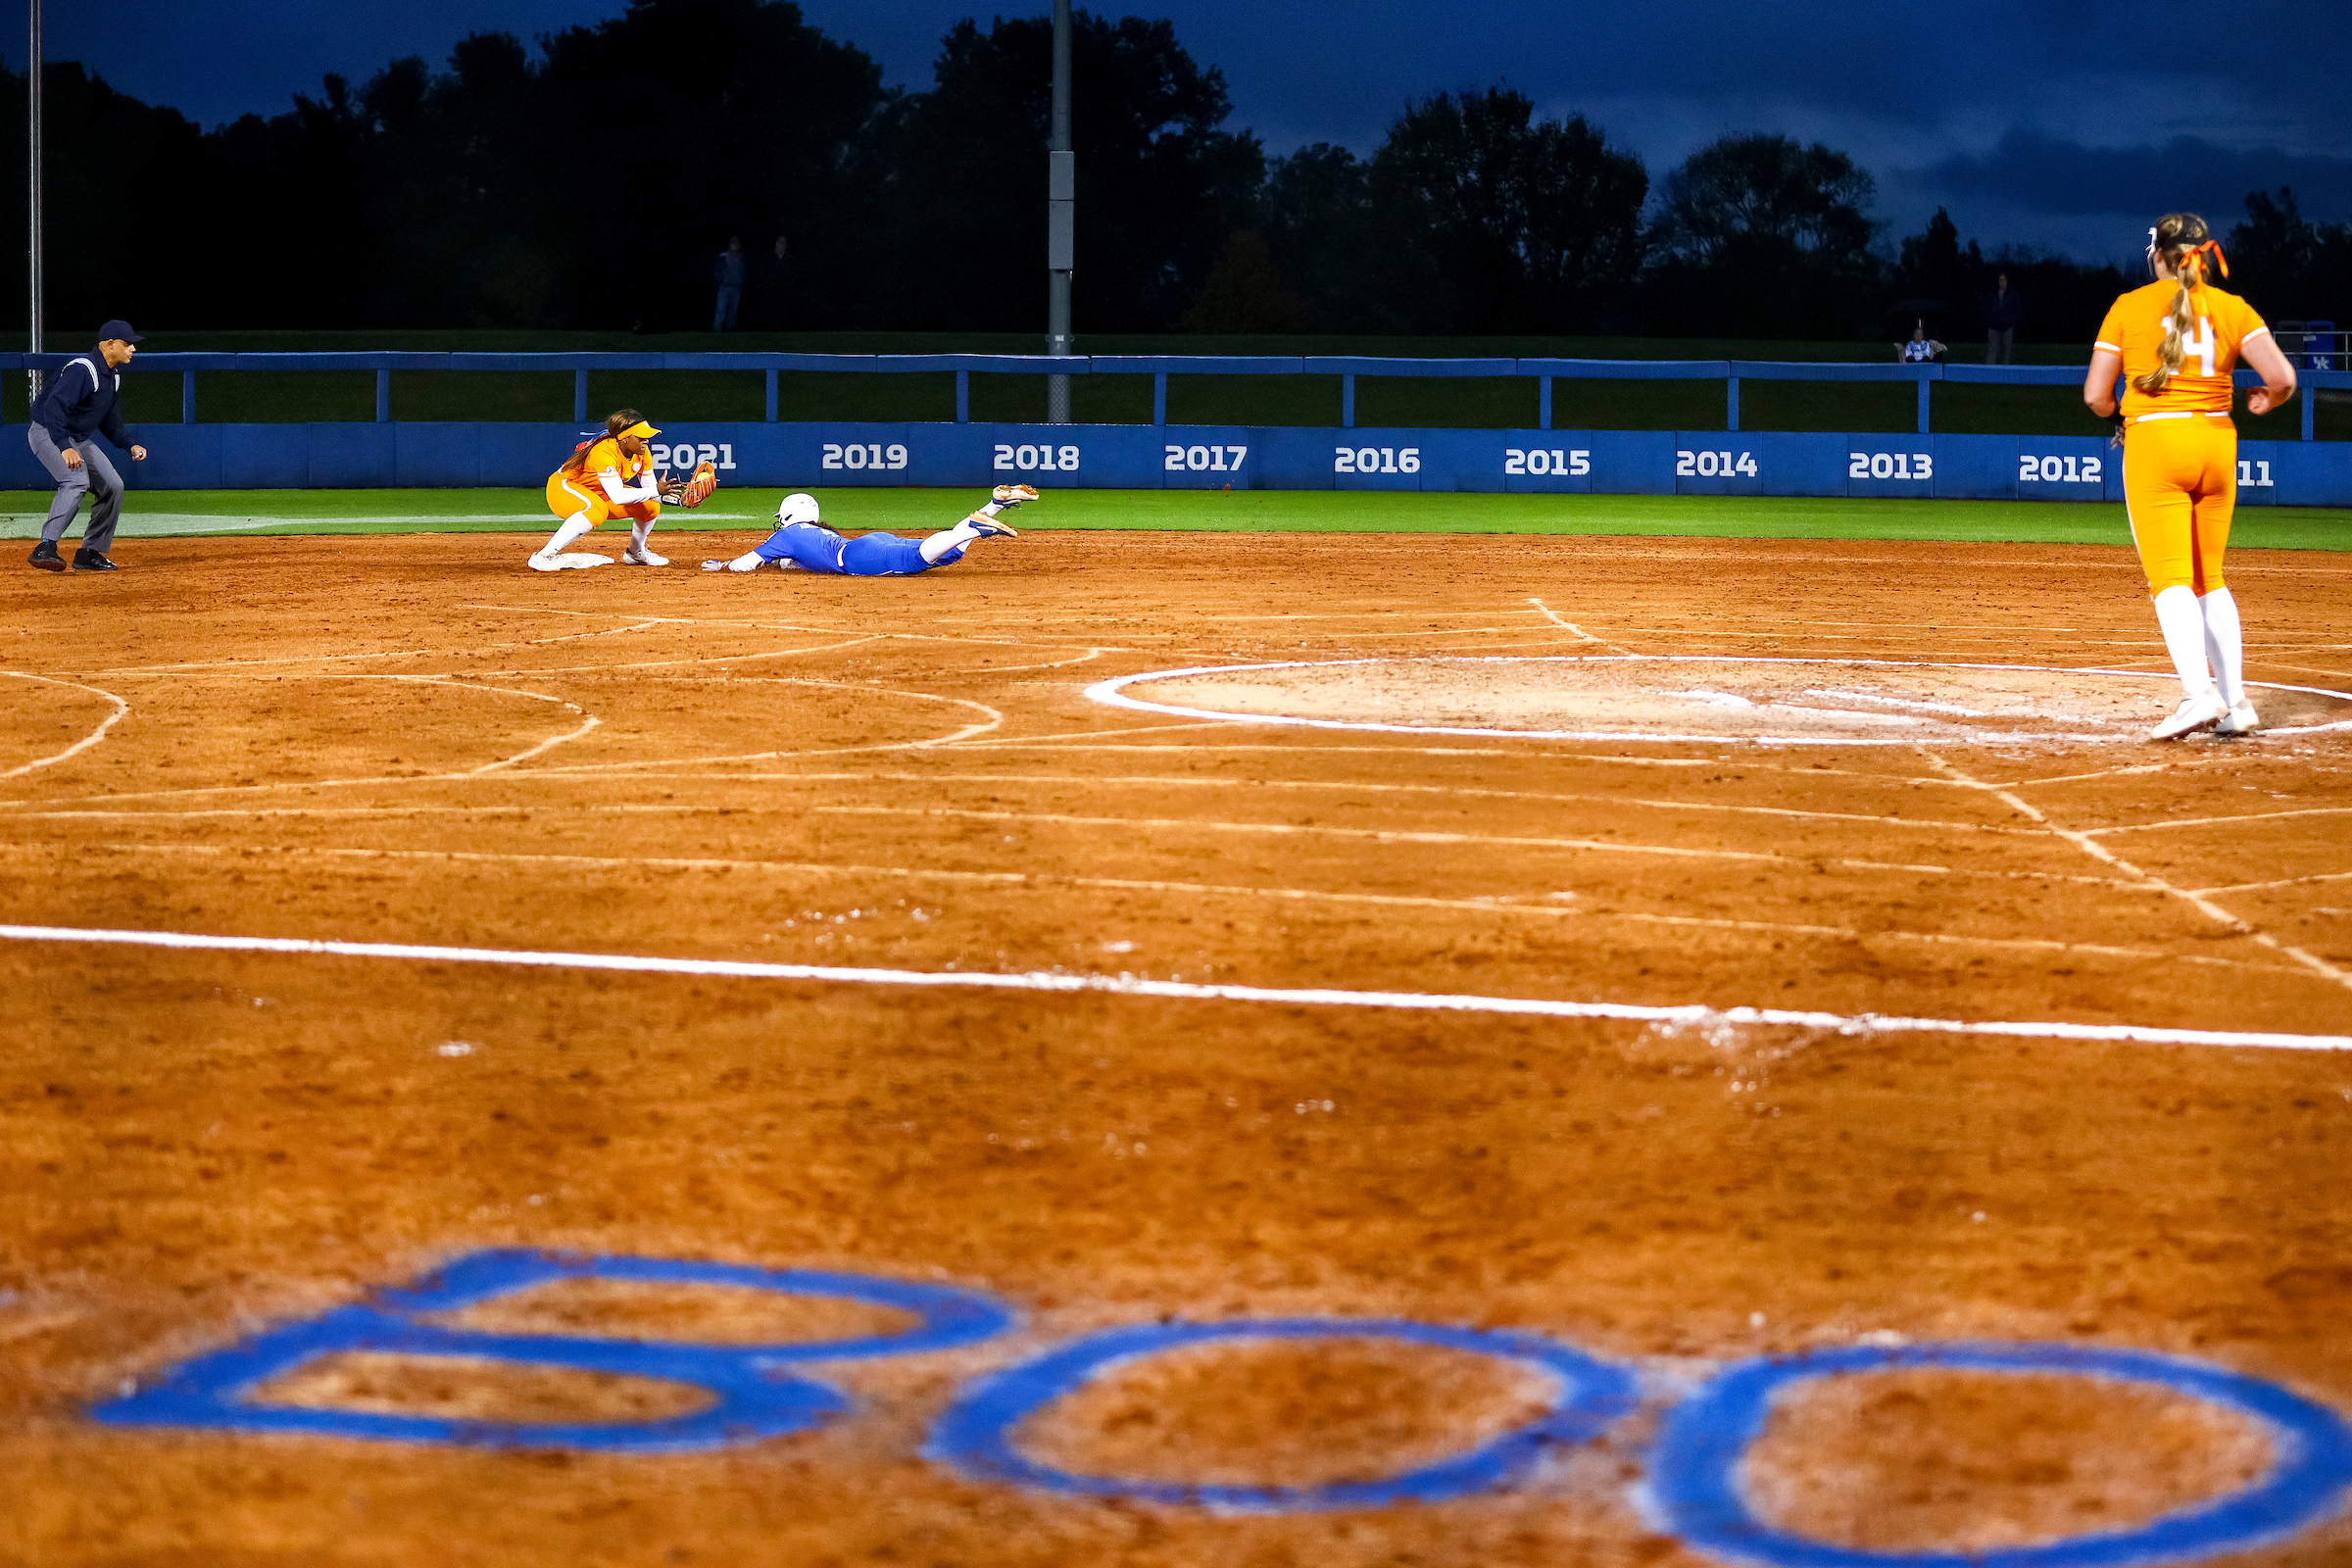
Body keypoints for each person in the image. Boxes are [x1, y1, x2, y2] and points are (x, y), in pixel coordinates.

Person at [2084, 212, 2297, 741]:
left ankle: (2197, 695)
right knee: (2210, 577)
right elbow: (2283, 379)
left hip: (2157, 441)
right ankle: (2237, 701)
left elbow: (2095, 395)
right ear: (2203, 255)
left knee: (2171, 578)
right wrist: (2266, 401)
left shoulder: (2129, 306)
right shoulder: (2231, 307)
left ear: (2158, 254)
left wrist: (2119, 413)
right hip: (2217, 442)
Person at [25, 319, 150, 572]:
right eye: (127, 344)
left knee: (113, 485)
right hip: (48, 431)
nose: (133, 349)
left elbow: (109, 421)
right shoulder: (83, 370)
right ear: (110, 344)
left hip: (76, 438)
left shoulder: (112, 377)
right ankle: (46, 546)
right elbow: (53, 408)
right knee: (76, 480)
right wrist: (64, 445)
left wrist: (129, 444)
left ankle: (89, 552)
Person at [704, 485, 1034, 577]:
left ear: (789, 515)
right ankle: (993, 505)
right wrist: (778, 563)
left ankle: (976, 527)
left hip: (860, 557)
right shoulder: (811, 536)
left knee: (918, 558)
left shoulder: (785, 536)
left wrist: (722, 566)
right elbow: (794, 563)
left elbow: (744, 564)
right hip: (868, 544)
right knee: (944, 554)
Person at [531, 409, 685, 571]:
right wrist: (656, 490)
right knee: (596, 510)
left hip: (599, 492)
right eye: (640, 437)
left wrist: (680, 501)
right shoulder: (604, 451)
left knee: (650, 506)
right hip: (564, 489)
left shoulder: (642, 453)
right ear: (625, 438)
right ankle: (543, 556)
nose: (646, 440)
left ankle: (635, 553)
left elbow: (651, 491)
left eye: (647, 436)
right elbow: (618, 496)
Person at [1984, 272, 2023, 364]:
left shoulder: (2012, 294)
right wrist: (1990, 320)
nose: (2002, 282)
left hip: (2007, 327)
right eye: (2000, 280)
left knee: (2006, 352)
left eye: (2004, 280)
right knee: (1992, 351)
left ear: (2007, 281)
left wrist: (2010, 321)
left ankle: (2004, 373)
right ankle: (1989, 372)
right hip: (1994, 327)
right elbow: (1987, 307)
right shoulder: (1993, 293)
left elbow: (2017, 309)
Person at [711, 237, 748, 333]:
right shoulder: (723, 256)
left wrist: (742, 282)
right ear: (729, 244)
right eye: (733, 243)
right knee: (721, 309)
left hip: (736, 287)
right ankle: (717, 330)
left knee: (733, 310)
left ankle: (729, 331)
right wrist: (722, 280)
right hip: (724, 287)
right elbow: (717, 271)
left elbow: (744, 271)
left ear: (739, 245)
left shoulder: (741, 257)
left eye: (736, 243)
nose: (735, 245)